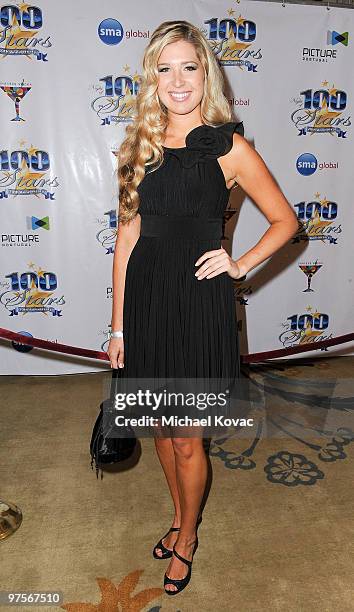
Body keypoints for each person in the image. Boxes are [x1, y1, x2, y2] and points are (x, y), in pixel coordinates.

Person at [107, 20, 298, 596]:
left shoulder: (230, 147)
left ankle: (187, 536)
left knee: (188, 436)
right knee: (162, 431)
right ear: (151, 79)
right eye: (164, 69)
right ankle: (177, 515)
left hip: (199, 305)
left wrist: (239, 265)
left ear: (206, 74)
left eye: (189, 66)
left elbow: (287, 221)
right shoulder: (140, 142)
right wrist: (117, 326)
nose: (177, 80)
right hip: (146, 303)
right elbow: (125, 238)